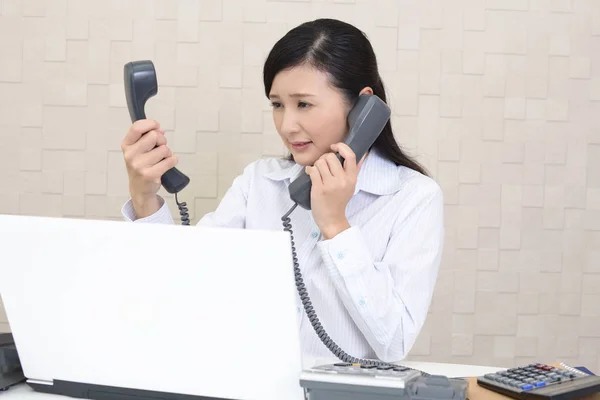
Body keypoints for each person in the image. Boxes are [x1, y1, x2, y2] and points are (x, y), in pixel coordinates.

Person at [120, 18, 444, 363]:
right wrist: (145, 198)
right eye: (277, 104)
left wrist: (335, 226)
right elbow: (179, 290)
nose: (287, 126)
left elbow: (393, 342)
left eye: (303, 104)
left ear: (363, 105)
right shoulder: (259, 183)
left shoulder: (413, 198)